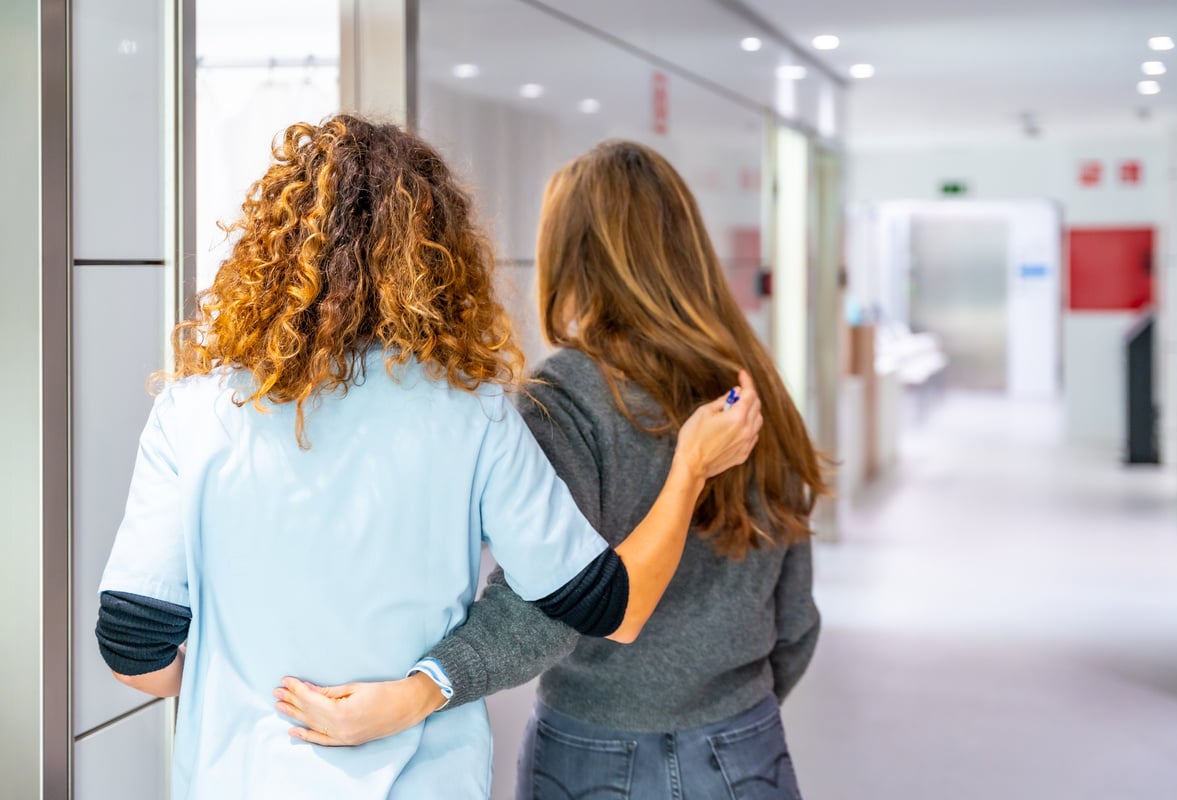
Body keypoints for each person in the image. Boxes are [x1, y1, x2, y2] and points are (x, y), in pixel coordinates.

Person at [93, 117, 763, 800]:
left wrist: (234, 693)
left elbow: (132, 650)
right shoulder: (472, 412)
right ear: (436, 257)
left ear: (272, 249)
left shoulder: (193, 413)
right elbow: (598, 603)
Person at [282, 140, 830, 798]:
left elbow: (544, 609)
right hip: (745, 739)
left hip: (597, 752)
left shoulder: (563, 399)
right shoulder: (752, 390)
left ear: (570, 254)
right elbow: (795, 618)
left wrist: (421, 688)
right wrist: (730, 710)